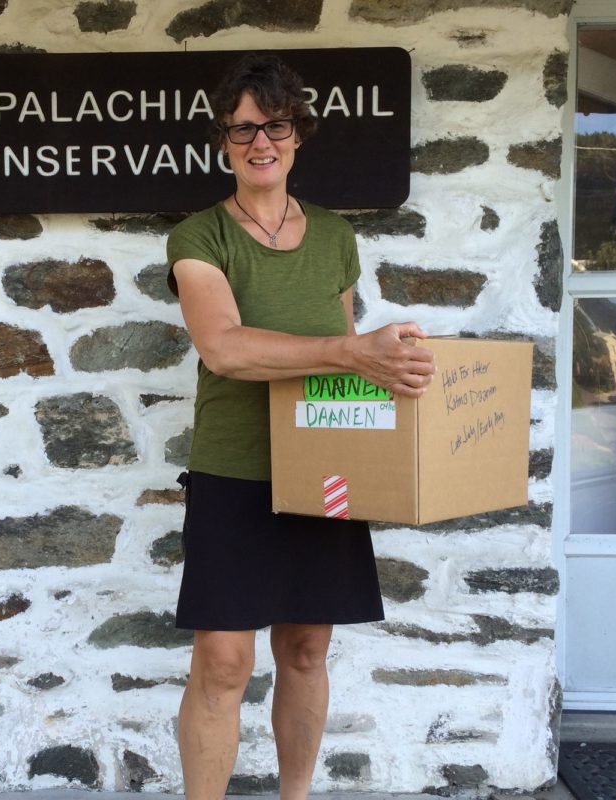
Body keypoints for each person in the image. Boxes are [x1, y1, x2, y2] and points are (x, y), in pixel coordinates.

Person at [166, 53, 436, 800]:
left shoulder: (334, 238)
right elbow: (224, 348)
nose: (260, 142)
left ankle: (295, 796)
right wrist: (356, 349)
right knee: (223, 661)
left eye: (274, 125)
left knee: (308, 648)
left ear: (298, 133)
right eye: (243, 128)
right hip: (234, 471)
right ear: (224, 139)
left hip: (323, 469)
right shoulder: (197, 238)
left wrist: (394, 372)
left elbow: (346, 364)